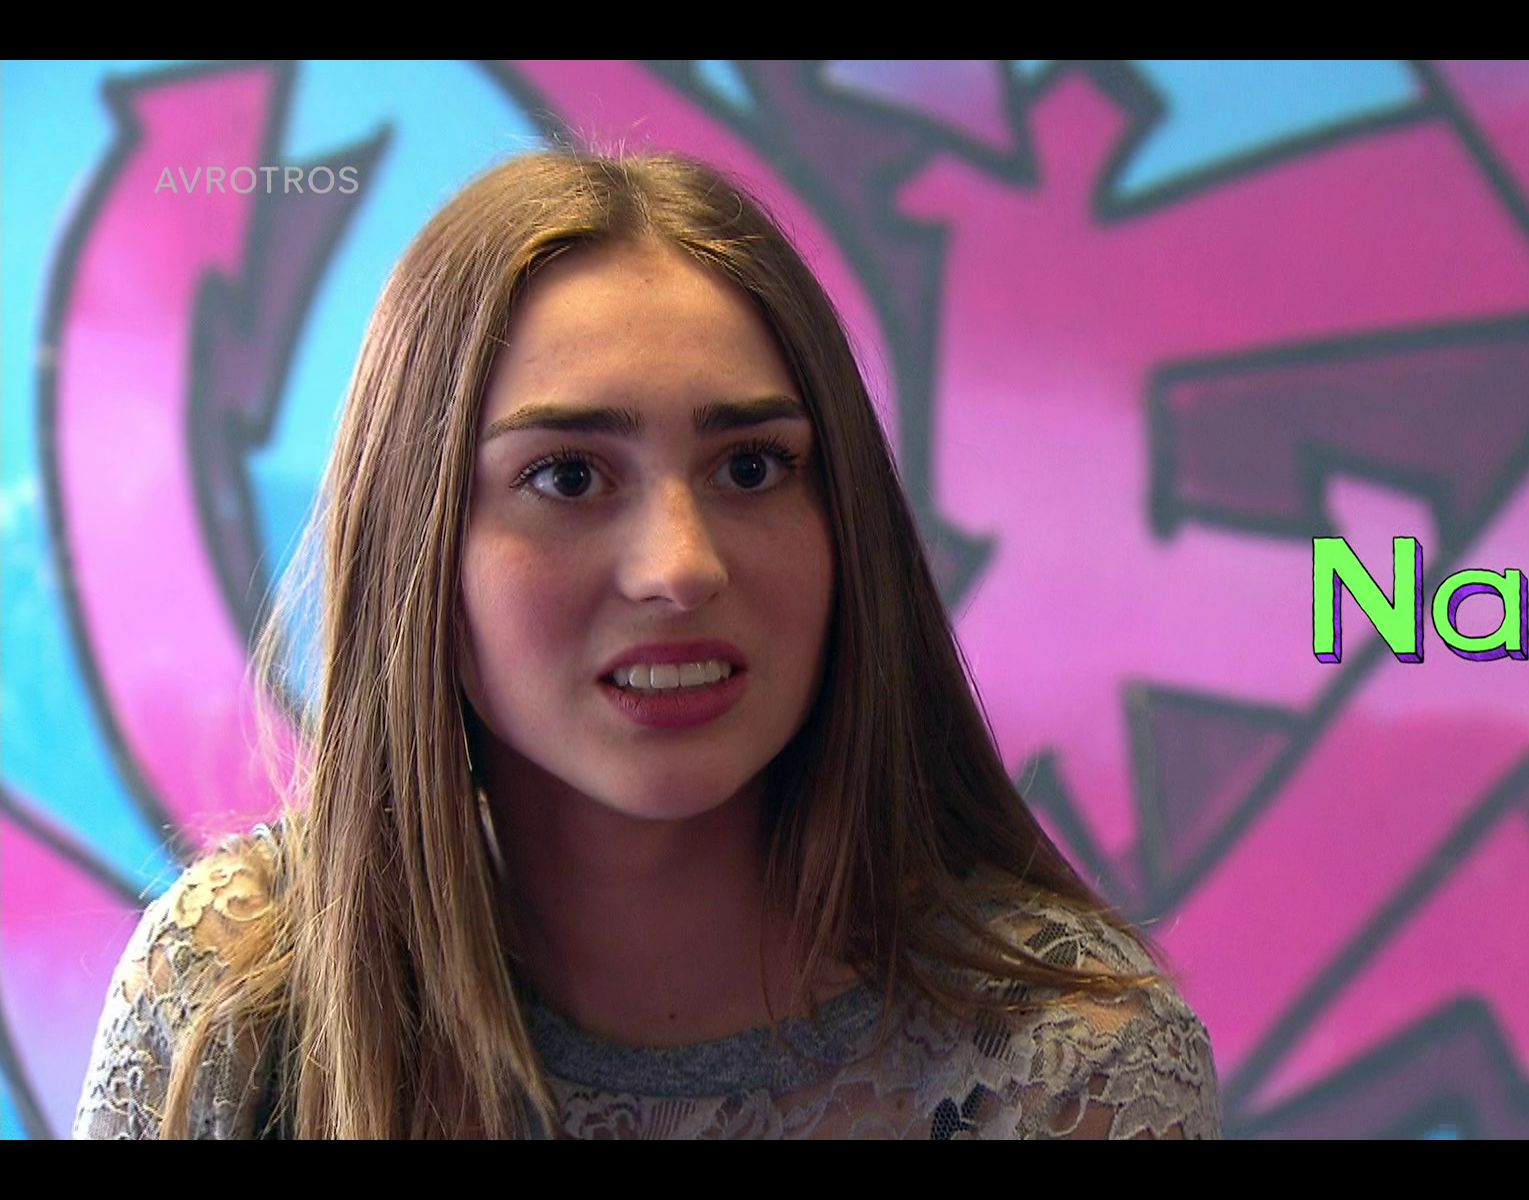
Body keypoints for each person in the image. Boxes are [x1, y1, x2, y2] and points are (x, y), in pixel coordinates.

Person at [71, 151, 1222, 1139]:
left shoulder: (1074, 1070)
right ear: (418, 550)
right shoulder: (231, 1000)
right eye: (568, 477)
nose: (680, 567)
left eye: (751, 467)